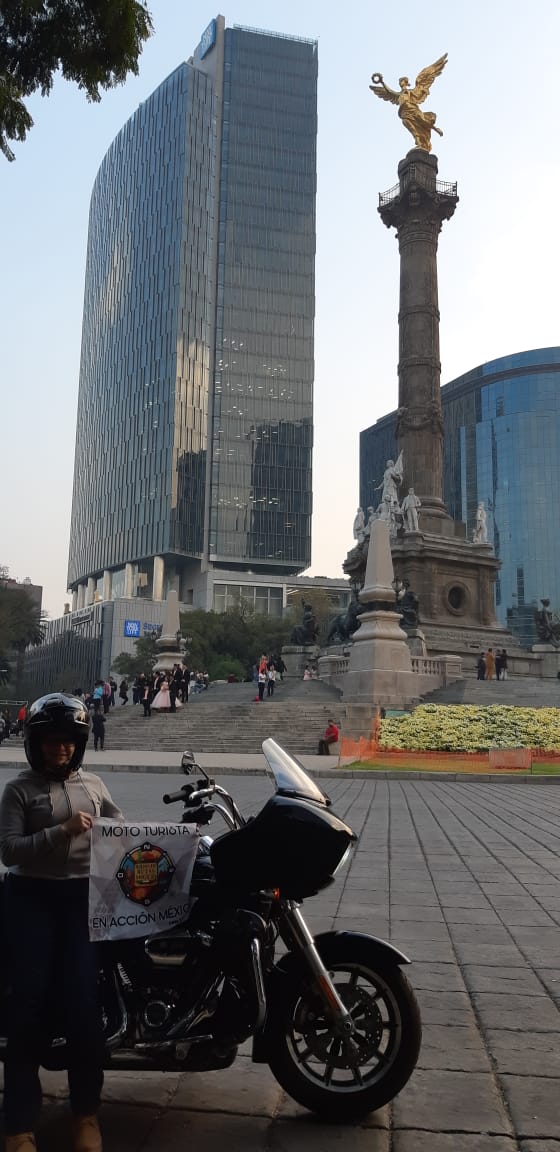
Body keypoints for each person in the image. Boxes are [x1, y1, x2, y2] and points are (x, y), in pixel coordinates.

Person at [0, 692, 124, 1152]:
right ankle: (18, 1126)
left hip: (81, 902)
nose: (61, 748)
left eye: (69, 740)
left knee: (83, 1008)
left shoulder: (93, 783)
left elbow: (119, 826)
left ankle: (86, 1115)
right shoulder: (19, 790)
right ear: (35, 744)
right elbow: (9, 851)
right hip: (30, 898)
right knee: (26, 1009)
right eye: (52, 740)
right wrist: (62, 831)